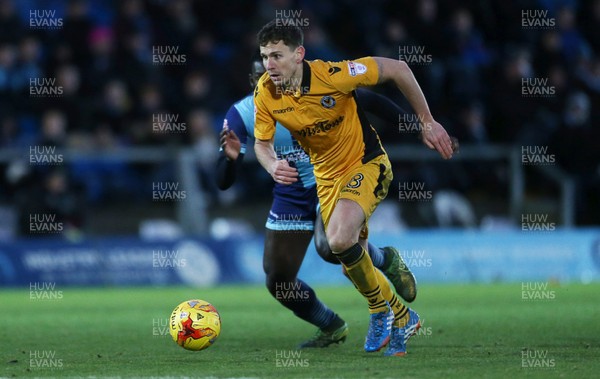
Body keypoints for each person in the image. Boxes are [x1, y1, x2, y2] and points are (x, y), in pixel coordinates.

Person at [253, 20, 454, 356]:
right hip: (327, 179)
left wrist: (426, 121)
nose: (269, 65)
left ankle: (379, 311)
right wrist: (272, 163)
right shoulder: (266, 92)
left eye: (277, 56)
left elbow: (399, 69)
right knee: (339, 255)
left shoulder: (334, 74)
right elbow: (261, 143)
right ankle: (401, 311)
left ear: (299, 54)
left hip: (366, 164)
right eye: (264, 56)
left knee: (340, 240)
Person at [216, 59, 418, 349]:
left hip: (334, 177)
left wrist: (417, 128)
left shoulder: (316, 90)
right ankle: (331, 325)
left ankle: (385, 266)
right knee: (278, 280)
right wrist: (230, 159)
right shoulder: (243, 113)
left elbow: (370, 100)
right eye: (264, 77)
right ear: (254, 82)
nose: (274, 82)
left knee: (332, 248)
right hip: (291, 194)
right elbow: (223, 181)